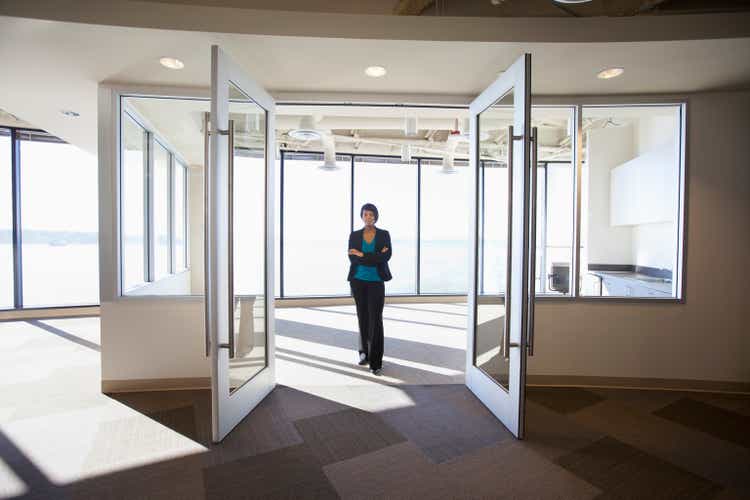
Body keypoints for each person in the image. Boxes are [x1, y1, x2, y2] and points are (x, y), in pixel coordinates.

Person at [347, 203, 392, 375]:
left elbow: (386, 257)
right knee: (362, 317)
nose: (368, 217)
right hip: (358, 281)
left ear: (376, 216)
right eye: (365, 214)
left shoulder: (384, 235)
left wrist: (363, 255)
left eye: (371, 215)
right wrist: (374, 257)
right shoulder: (355, 235)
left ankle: (376, 362)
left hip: (376, 281)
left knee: (376, 319)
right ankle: (363, 353)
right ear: (362, 216)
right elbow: (353, 258)